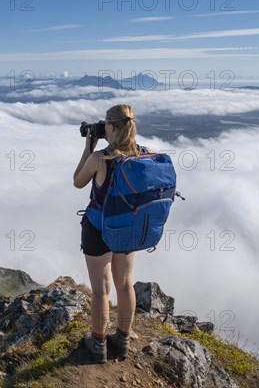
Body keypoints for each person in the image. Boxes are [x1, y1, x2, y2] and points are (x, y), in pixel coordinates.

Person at [73, 104, 143, 364]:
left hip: (98, 229)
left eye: (105, 124)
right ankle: (123, 341)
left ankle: (98, 344)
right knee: (125, 284)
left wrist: (88, 148)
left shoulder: (100, 158)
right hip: (127, 229)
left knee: (101, 290)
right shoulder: (142, 155)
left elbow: (77, 181)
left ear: (111, 127)